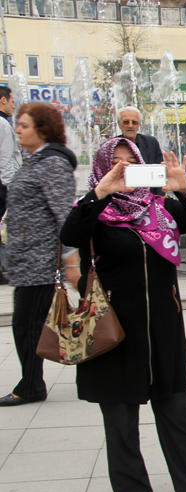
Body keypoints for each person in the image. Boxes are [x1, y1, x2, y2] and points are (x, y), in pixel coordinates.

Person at [60, 137, 186, 492]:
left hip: (163, 327)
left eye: (129, 162)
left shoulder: (159, 208)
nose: (123, 169)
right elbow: (69, 237)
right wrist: (101, 194)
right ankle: (133, 491)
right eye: (115, 163)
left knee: (178, 410)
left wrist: (184, 188)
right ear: (103, 168)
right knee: (120, 418)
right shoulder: (93, 214)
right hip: (114, 330)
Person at [0, 103, 76, 407]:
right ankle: (31, 382)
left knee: (26, 325)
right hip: (25, 258)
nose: (17, 129)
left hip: (40, 261)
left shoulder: (53, 165)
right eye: (17, 124)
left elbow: (64, 216)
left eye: (24, 125)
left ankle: (31, 385)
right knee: (26, 324)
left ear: (42, 130)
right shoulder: (35, 161)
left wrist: (71, 260)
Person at [0, 87, 22, 278]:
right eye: (12, 101)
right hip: (3, 184)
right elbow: (6, 158)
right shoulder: (3, 125)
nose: (14, 105)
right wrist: (10, 187)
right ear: (2, 100)